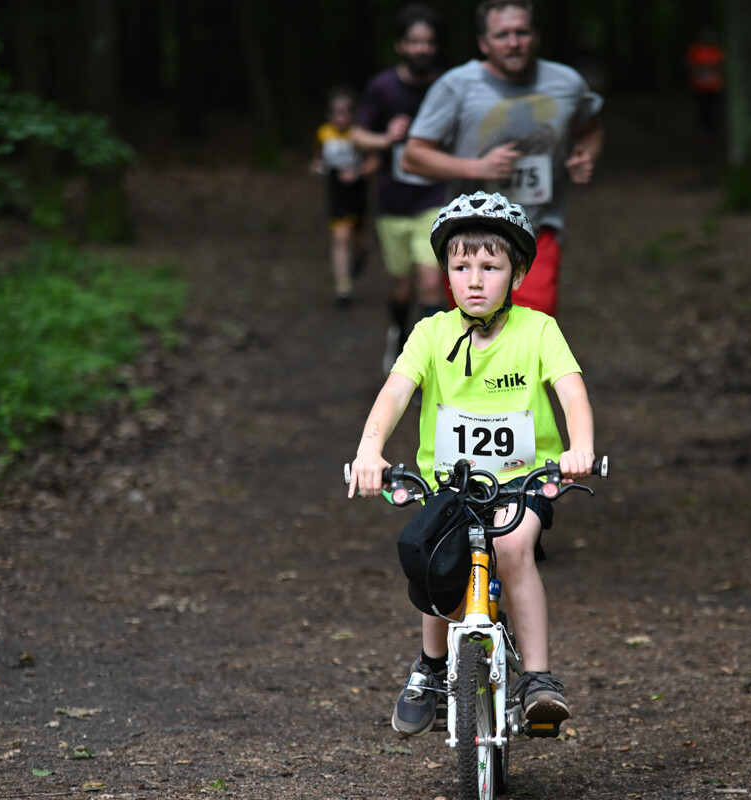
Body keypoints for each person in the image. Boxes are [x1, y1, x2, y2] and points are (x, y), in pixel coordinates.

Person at [348, 191, 595, 736]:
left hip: (524, 481)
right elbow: (394, 394)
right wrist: (369, 450)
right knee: (435, 553)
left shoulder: (538, 330)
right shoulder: (431, 333)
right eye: (462, 268)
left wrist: (579, 447)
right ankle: (431, 669)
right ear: (446, 274)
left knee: (512, 548)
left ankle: (538, 680)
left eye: (491, 267)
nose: (475, 280)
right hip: (451, 483)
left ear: (518, 274)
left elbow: (572, 393)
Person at [401, 0, 603, 318]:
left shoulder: (566, 83)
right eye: (501, 35)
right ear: (484, 43)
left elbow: (591, 128)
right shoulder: (456, 86)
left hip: (537, 231)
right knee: (477, 334)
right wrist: (476, 167)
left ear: (536, 36)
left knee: (532, 331)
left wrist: (584, 156)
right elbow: (412, 156)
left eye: (521, 32)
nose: (513, 42)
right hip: (469, 236)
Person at [351, 4, 449, 372]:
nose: (422, 49)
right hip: (393, 203)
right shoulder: (383, 87)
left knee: (430, 281)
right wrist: (386, 138)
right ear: (400, 45)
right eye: (414, 42)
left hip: (434, 198)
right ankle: (398, 332)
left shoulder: (447, 86)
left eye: (428, 42)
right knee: (401, 287)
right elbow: (357, 136)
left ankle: (431, 361)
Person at [312, 87, 377, 306]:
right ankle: (343, 287)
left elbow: (374, 160)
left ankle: (360, 252)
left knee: (353, 236)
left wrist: (358, 173)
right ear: (329, 115)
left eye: (345, 112)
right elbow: (319, 157)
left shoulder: (359, 134)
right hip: (336, 190)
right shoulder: (324, 133)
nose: (340, 117)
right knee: (340, 235)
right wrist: (317, 165)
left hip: (357, 191)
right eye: (336, 112)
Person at [685, 28, 725, 161]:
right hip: (699, 88)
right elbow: (691, 67)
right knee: (702, 112)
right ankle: (703, 137)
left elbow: (721, 67)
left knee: (713, 111)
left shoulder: (716, 51)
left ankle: (713, 136)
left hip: (714, 88)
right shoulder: (695, 51)